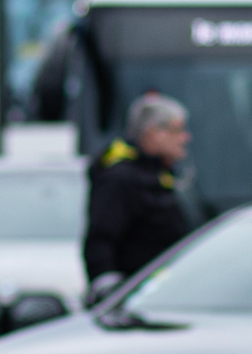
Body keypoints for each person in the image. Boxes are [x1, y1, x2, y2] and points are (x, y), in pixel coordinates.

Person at [83, 93, 196, 289]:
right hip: (138, 297)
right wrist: (107, 288)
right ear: (154, 134)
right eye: (177, 130)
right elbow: (101, 240)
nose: (186, 138)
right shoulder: (121, 178)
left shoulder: (161, 176)